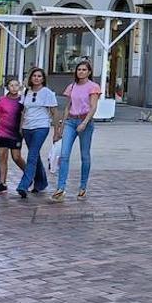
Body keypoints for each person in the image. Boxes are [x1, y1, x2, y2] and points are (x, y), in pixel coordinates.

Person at [53, 60, 102, 201]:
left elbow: (93, 107)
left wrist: (85, 122)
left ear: (89, 72)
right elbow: (68, 105)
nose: (81, 72)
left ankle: (82, 186)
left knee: (84, 155)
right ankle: (61, 188)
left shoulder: (93, 87)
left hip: (84, 121)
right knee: (64, 154)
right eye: (79, 69)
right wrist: (63, 124)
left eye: (84, 70)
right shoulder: (72, 86)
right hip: (71, 121)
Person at [16, 67, 57, 199]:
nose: (37, 78)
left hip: (41, 126)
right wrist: (20, 127)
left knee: (32, 155)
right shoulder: (26, 92)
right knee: (35, 156)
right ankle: (41, 182)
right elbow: (23, 111)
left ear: (43, 79)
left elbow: (54, 112)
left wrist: (57, 130)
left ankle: (24, 185)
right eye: (34, 76)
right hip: (28, 127)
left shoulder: (47, 93)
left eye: (39, 76)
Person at [0, 77, 27, 195]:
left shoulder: (23, 101)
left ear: (19, 87)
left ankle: (29, 175)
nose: (14, 88)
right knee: (2, 156)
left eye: (16, 85)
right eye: (11, 85)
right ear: (7, 87)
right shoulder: (1, 100)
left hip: (16, 132)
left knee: (16, 157)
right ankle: (2, 183)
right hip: (2, 131)